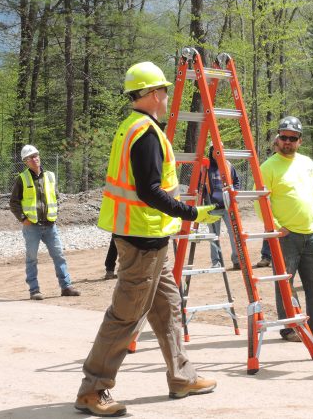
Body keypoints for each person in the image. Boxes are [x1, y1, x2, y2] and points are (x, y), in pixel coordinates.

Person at [75, 62, 221, 417]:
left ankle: (181, 377)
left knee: (168, 309)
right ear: (154, 94)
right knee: (125, 316)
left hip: (150, 238)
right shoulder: (146, 134)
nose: (167, 97)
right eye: (165, 91)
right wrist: (191, 213)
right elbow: (149, 191)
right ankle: (93, 390)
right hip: (142, 239)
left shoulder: (132, 127)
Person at [256, 116, 313, 342]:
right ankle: (289, 328)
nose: (288, 142)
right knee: (285, 284)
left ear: (300, 141)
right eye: (284, 137)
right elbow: (260, 202)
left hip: (311, 233)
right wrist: (275, 227)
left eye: (292, 138)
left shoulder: (307, 163)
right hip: (285, 237)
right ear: (277, 138)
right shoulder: (268, 167)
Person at [9, 145, 80, 300]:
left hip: (50, 225)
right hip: (32, 226)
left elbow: (55, 197)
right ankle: (34, 291)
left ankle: (66, 286)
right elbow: (13, 202)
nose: (35, 159)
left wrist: (54, 214)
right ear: (26, 162)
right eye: (31, 157)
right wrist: (23, 219)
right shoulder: (22, 179)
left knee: (59, 256)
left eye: (36, 155)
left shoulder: (50, 176)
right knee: (32, 259)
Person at [205, 145, 241, 270]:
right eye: (215, 148)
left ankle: (237, 260)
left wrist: (233, 194)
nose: (219, 151)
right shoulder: (206, 165)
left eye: (221, 148)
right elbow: (199, 185)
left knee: (234, 234)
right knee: (214, 236)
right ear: (211, 151)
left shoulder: (228, 165)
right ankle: (216, 262)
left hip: (228, 207)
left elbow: (236, 182)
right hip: (212, 207)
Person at [256, 135, 279, 268]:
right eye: (275, 144)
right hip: (271, 204)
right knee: (268, 230)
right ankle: (266, 256)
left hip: (284, 206)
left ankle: (279, 257)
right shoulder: (269, 164)